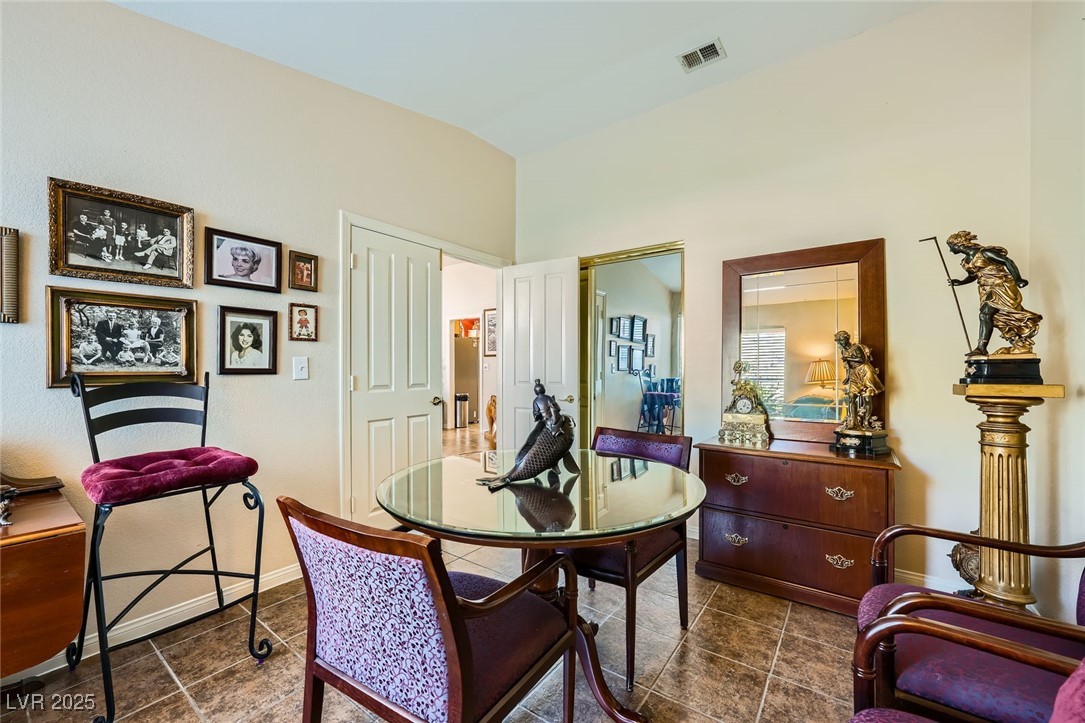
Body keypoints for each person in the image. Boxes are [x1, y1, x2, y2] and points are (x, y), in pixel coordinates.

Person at [946, 230, 1042, 356]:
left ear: (958, 245)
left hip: (1001, 286)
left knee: (986, 314)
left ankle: (981, 347)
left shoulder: (985, 252)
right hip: (986, 289)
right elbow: (973, 275)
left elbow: (1007, 261)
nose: (950, 250)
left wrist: (1018, 279)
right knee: (996, 317)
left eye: (951, 247)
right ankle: (1016, 341)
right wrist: (960, 282)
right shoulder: (966, 261)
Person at [834, 330, 883, 431]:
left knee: (867, 398)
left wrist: (848, 358)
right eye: (839, 341)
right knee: (851, 397)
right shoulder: (843, 351)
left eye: (842, 340)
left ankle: (866, 422)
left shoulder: (856, 347)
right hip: (854, 374)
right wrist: (848, 376)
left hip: (864, 371)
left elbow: (862, 359)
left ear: (847, 339)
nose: (841, 343)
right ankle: (853, 422)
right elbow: (848, 366)